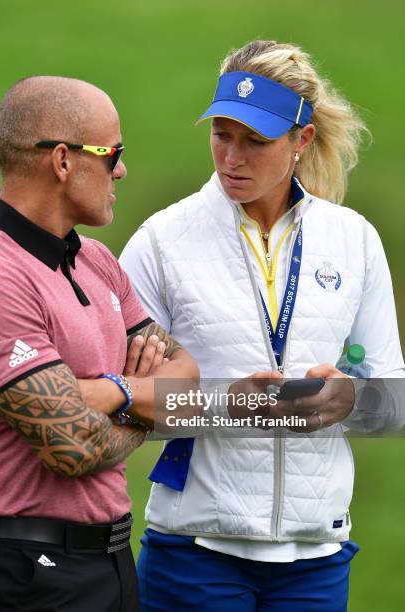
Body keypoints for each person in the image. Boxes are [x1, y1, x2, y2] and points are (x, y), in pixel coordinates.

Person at [119, 40, 405, 611]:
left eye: (256, 141)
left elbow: (395, 404)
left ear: (301, 141)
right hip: (194, 558)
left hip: (316, 562)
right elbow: (121, 405)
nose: (232, 158)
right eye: (222, 134)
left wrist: (348, 400)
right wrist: (228, 404)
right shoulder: (159, 243)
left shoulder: (354, 241)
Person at [0, 76, 198, 612]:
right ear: (62, 161)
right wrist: (145, 397)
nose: (121, 169)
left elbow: (185, 382)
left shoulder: (97, 260)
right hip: (19, 574)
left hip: (114, 563)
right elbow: (73, 447)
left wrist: (113, 393)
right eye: (113, 152)